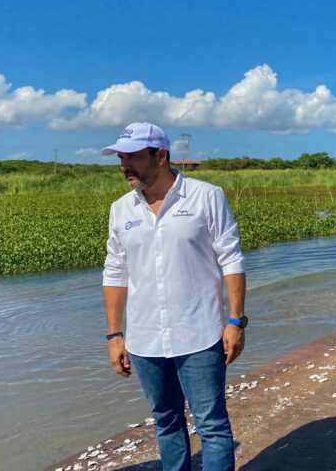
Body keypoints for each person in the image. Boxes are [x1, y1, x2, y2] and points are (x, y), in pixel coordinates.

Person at [101, 122, 246, 471]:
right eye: (121, 157)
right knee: (165, 421)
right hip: (144, 339)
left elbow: (231, 259)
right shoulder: (121, 210)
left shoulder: (205, 196)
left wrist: (236, 321)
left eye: (133, 156)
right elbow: (115, 272)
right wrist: (114, 335)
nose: (124, 165)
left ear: (160, 156)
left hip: (200, 333)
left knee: (211, 426)